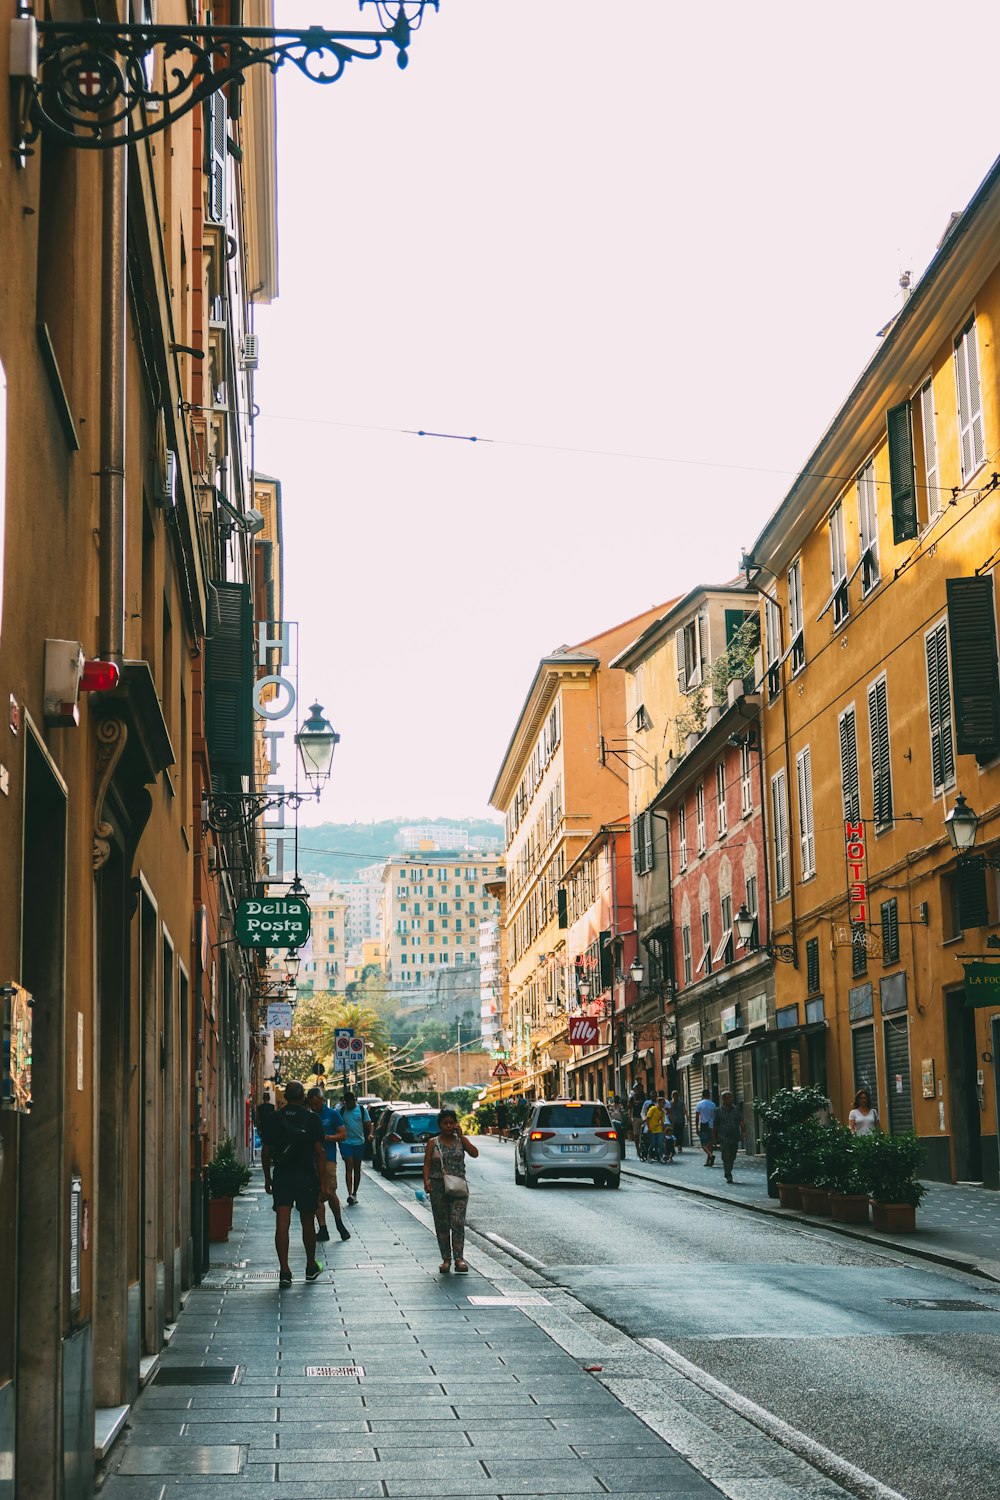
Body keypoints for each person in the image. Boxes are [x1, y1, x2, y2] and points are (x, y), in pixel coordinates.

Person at [261, 1080, 325, 1287]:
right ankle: (310, 1266)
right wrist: (323, 1183)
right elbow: (319, 1153)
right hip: (306, 1175)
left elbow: (266, 1151)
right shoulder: (312, 1119)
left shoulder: (274, 1118)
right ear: (303, 1096)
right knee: (308, 1222)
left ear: (286, 1097)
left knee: (282, 1222)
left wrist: (267, 1178)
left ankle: (285, 1271)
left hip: (282, 1175)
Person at [422, 1107, 479, 1274]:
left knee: (458, 1222)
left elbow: (475, 1153)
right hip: (438, 1186)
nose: (448, 1126)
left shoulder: (460, 1141)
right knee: (442, 1223)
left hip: (458, 1186)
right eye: (444, 1123)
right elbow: (426, 1164)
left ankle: (459, 1258)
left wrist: (461, 1136)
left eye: (451, 1123)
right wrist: (426, 1181)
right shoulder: (433, 1143)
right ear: (439, 1125)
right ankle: (446, 1259)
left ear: (455, 1124)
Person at [307, 1086, 350, 1243]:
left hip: (328, 1159)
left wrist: (327, 1138)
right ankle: (323, 1228)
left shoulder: (332, 1115)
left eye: (316, 1104)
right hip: (312, 1160)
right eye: (312, 1105)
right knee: (317, 1194)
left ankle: (339, 1224)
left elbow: (343, 1134)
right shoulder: (309, 1116)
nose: (314, 1107)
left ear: (322, 1101)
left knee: (330, 1192)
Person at [339, 1090, 372, 1205]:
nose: (348, 1105)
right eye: (346, 1103)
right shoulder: (342, 1111)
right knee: (349, 1165)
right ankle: (349, 1194)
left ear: (354, 1101)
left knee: (357, 1168)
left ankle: (354, 1193)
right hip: (346, 1142)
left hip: (359, 1142)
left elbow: (369, 1124)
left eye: (350, 1103)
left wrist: (371, 1134)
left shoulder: (361, 1111)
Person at [713, 1089, 746, 1182]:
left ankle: (729, 1170)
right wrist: (714, 1138)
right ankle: (728, 1174)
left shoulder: (736, 1109)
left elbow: (741, 1121)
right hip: (724, 1137)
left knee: (733, 1156)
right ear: (723, 1099)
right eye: (728, 1098)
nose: (731, 1099)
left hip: (734, 1136)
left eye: (731, 1097)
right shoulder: (718, 1111)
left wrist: (744, 1131)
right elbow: (715, 1125)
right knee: (726, 1156)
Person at [695, 1088, 719, 1166]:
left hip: (704, 1124)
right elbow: (715, 1116)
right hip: (711, 1124)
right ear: (709, 1095)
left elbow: (697, 1117)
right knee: (710, 1143)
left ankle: (711, 1156)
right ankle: (708, 1160)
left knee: (703, 1144)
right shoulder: (713, 1104)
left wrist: (697, 1127)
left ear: (702, 1095)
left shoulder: (699, 1104)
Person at [644, 1093, 666, 1162]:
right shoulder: (653, 1109)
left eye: (664, 1103)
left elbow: (662, 1122)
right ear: (658, 1102)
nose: (663, 1104)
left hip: (658, 1129)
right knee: (652, 1144)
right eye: (662, 1103)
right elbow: (648, 1118)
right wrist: (649, 1127)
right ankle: (649, 1156)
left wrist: (663, 1131)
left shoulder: (662, 1112)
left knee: (660, 1144)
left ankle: (660, 1157)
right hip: (652, 1129)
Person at [629, 1085, 646, 1155]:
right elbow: (628, 1106)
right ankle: (637, 1148)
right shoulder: (632, 1098)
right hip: (636, 1117)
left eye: (640, 1089)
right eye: (637, 1089)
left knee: (644, 1134)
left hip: (643, 1117)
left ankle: (643, 1147)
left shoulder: (644, 1097)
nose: (639, 1090)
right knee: (636, 1134)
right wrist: (634, 1102)